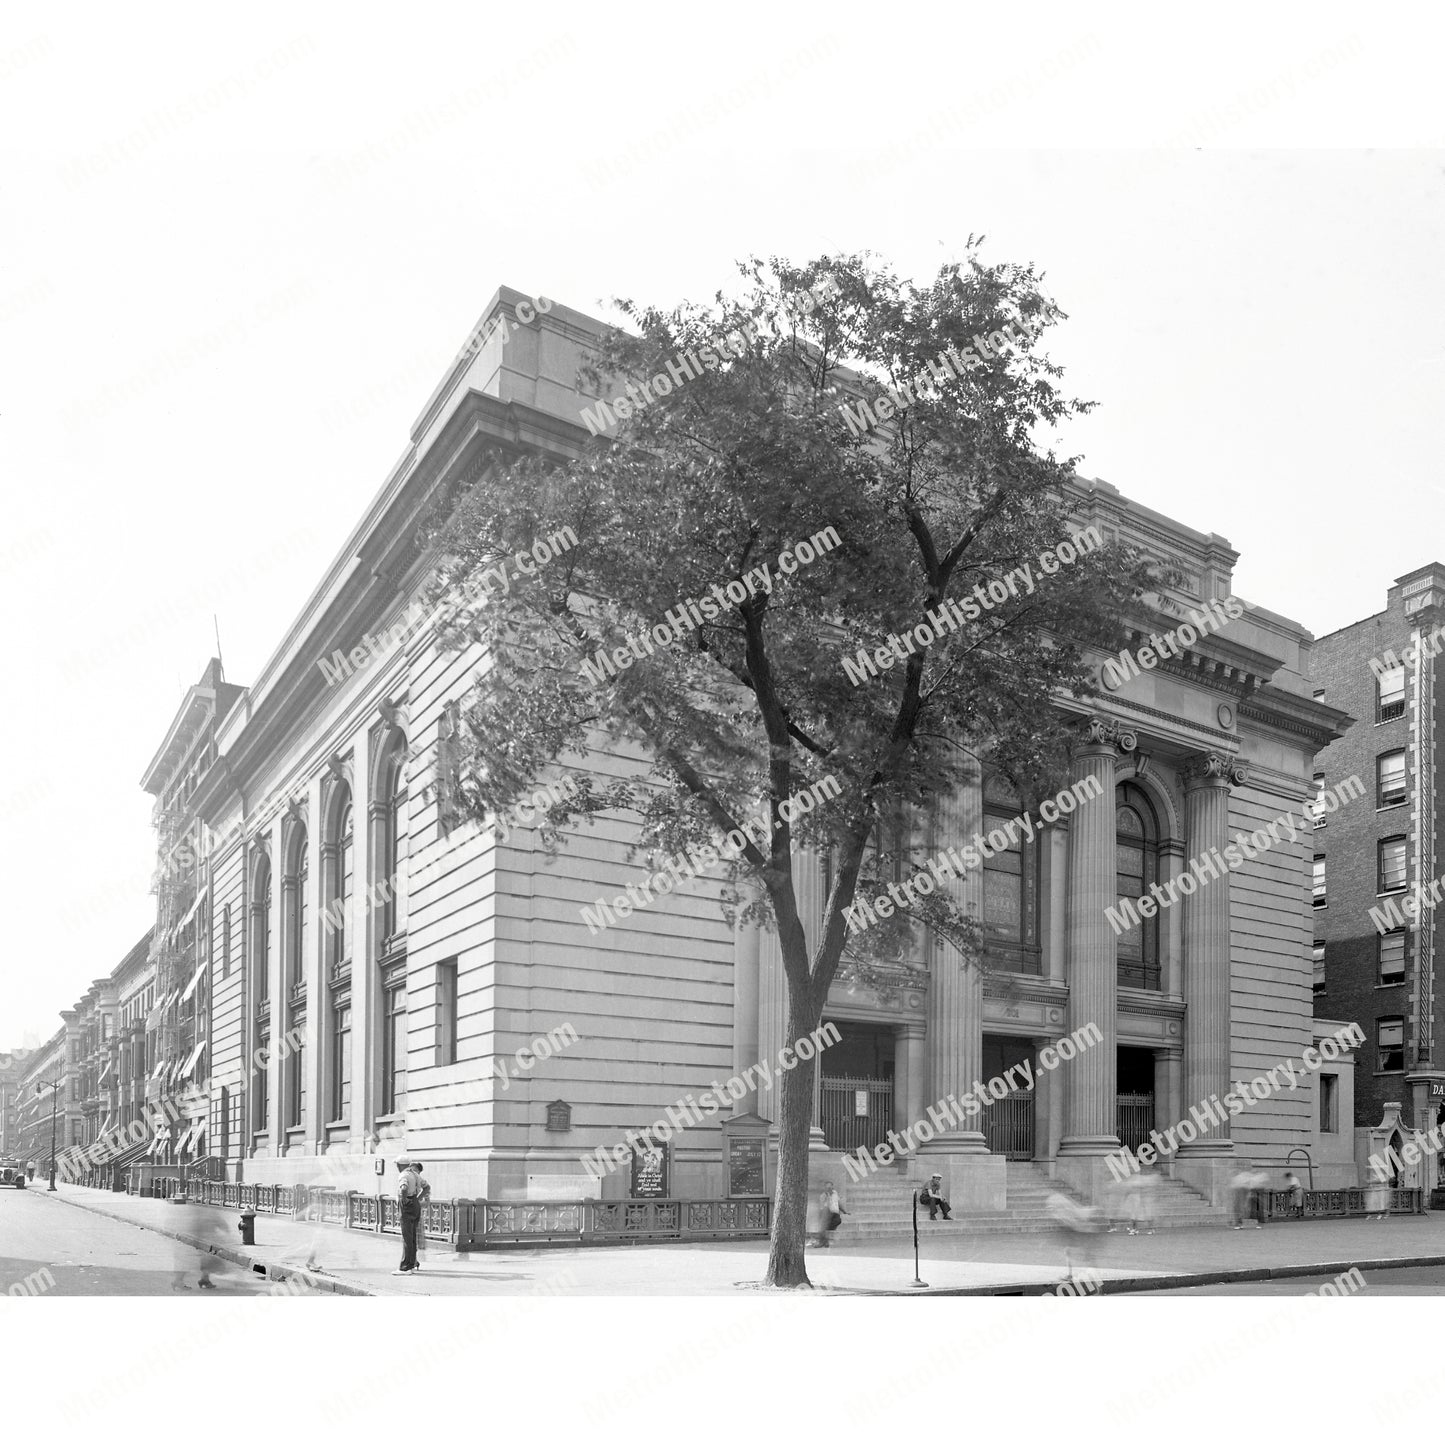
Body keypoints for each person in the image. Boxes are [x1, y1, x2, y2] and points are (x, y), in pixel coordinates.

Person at [1046, 1190, 1104, 1284]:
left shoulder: (1069, 1212)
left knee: (1086, 1256)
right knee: (1071, 1252)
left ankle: (1093, 1278)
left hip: (1083, 1233)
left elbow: (1076, 1222)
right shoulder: (1068, 1210)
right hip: (1081, 1233)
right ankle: (1074, 1275)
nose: (1051, 1210)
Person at [393, 1156, 426, 1275]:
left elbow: (403, 1188)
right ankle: (412, 1264)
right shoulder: (415, 1175)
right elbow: (427, 1187)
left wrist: (405, 1199)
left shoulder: (403, 1175)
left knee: (407, 1237)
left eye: (397, 1164)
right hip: (415, 1204)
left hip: (406, 1206)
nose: (396, 1166)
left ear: (401, 1165)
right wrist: (416, 1199)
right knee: (412, 1237)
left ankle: (405, 1267)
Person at [815, 1182, 847, 1247]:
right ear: (825, 1188)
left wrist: (844, 1211)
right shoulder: (823, 1196)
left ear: (833, 1187)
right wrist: (827, 1198)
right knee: (824, 1223)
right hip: (827, 1213)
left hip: (835, 1215)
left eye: (830, 1187)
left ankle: (823, 1241)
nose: (829, 1189)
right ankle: (823, 1242)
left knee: (829, 1223)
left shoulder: (835, 1194)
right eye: (827, 1188)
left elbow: (839, 1204)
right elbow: (822, 1207)